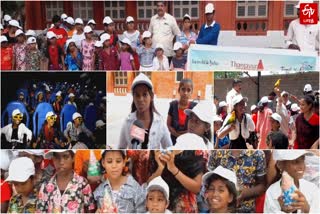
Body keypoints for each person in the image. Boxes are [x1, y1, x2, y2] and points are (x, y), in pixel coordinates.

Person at [118, 73, 172, 149]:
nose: (140, 99)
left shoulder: (160, 122)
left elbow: (169, 148)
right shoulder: (128, 122)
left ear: (152, 97)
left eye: (145, 94)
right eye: (137, 95)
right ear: (133, 97)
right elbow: (120, 148)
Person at [167, 78, 197, 144]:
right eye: (183, 89)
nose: (185, 93)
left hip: (188, 140)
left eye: (188, 90)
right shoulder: (173, 105)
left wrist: (183, 135)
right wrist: (177, 135)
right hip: (174, 140)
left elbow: (196, 126)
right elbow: (168, 125)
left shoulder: (194, 107)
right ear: (179, 90)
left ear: (191, 92)